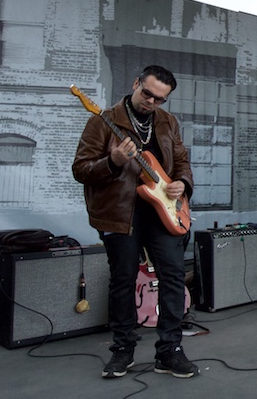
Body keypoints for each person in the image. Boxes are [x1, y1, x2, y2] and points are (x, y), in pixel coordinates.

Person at [72, 65, 199, 380]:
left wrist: (182, 183)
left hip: (163, 212)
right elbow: (81, 170)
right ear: (135, 84)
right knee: (123, 281)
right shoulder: (102, 121)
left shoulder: (168, 123)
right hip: (119, 213)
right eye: (148, 94)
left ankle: (170, 351)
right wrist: (113, 161)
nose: (152, 102)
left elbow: (181, 161)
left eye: (160, 99)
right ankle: (122, 350)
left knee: (172, 278)